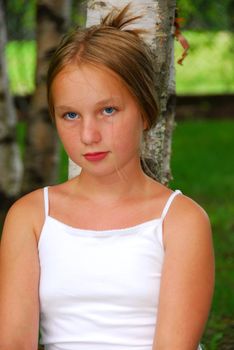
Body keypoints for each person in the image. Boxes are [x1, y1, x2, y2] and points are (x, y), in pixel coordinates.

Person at [0, 5, 214, 350]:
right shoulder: (31, 217)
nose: (88, 134)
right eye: (70, 114)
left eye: (108, 110)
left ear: (144, 110)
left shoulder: (181, 222)